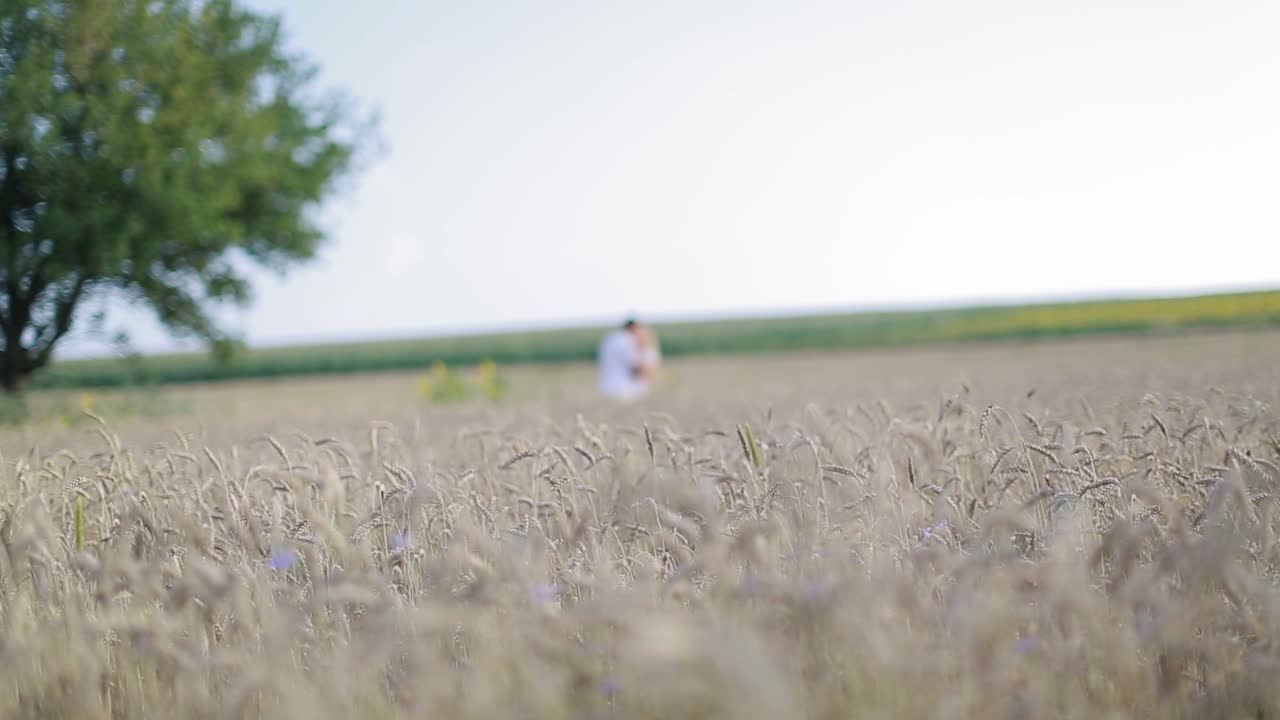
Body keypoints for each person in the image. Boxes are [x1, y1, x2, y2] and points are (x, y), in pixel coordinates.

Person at [598, 317, 661, 400]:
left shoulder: (610, 339)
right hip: (625, 390)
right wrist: (645, 346)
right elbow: (638, 370)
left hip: (606, 388)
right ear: (634, 328)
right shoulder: (627, 341)